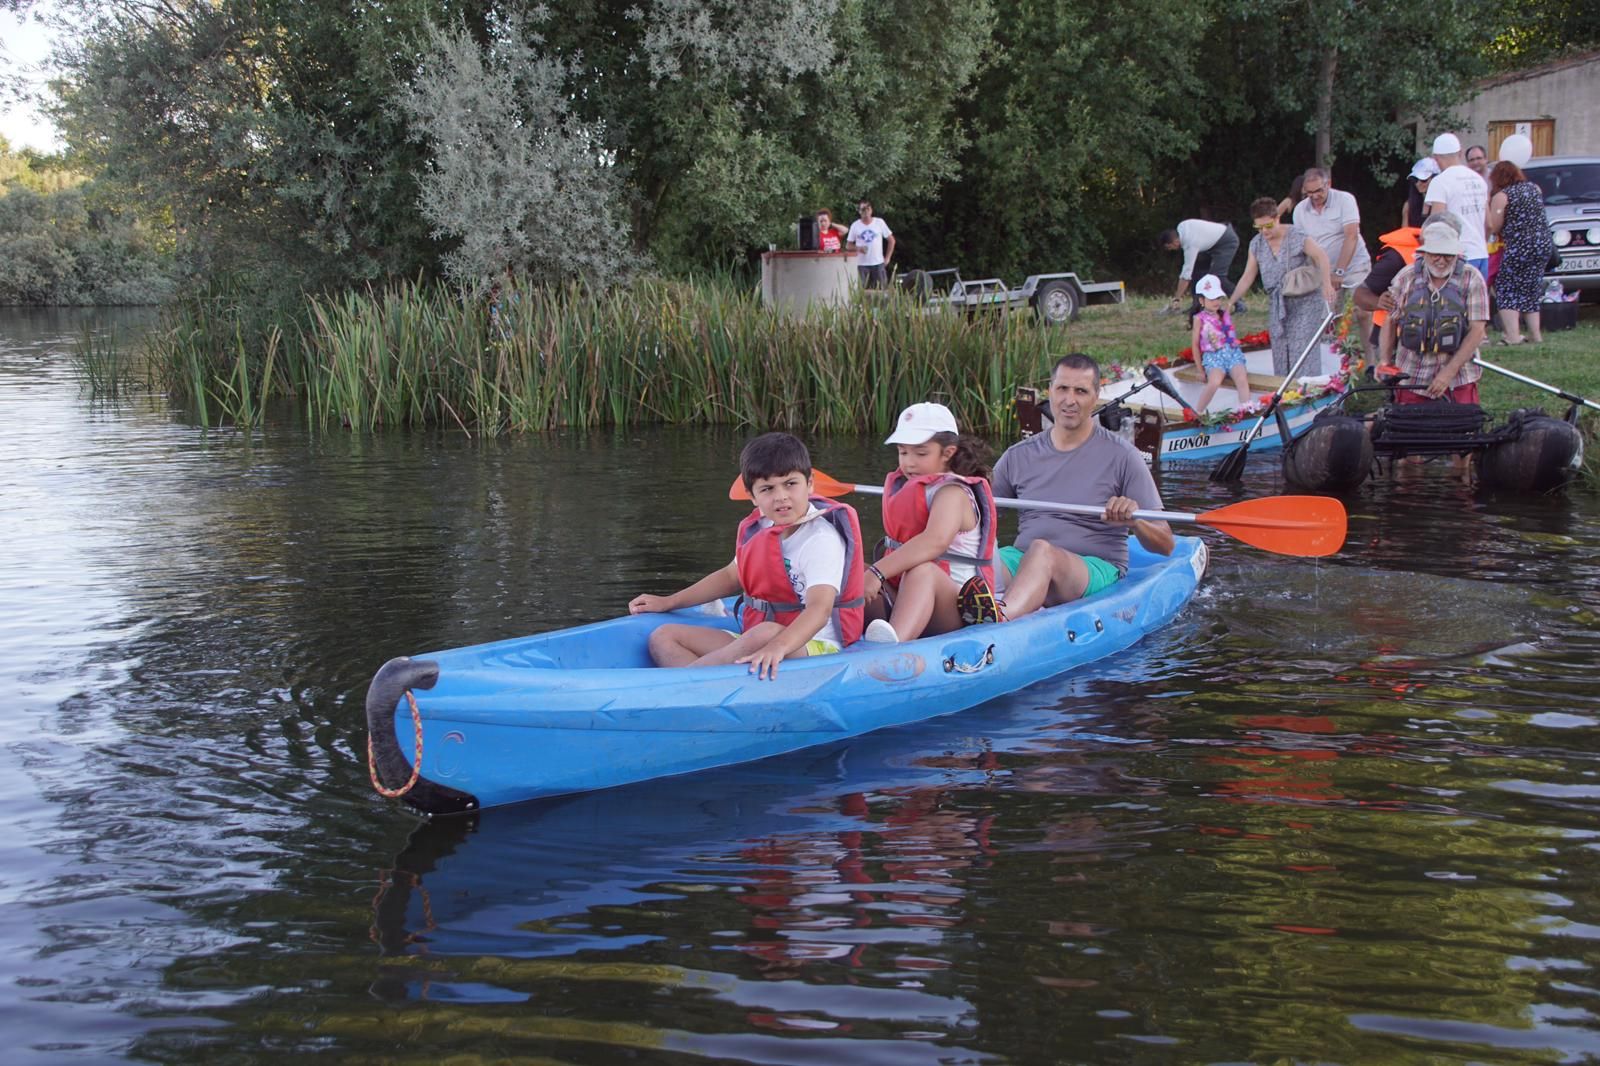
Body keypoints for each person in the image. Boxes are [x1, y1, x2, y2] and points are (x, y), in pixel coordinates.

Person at [955, 354, 1174, 623]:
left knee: (1042, 551)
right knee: (971, 561)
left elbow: (1165, 544)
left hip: (1094, 567)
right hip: (1022, 559)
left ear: (1096, 396)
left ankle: (1000, 617)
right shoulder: (1018, 455)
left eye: (1080, 391)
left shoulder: (1123, 456)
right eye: (1062, 389)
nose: (1069, 400)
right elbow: (978, 512)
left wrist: (1137, 521)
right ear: (1050, 392)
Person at [628, 432, 865, 679]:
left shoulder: (821, 539)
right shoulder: (760, 528)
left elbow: (820, 609)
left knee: (764, 633)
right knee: (664, 637)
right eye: (767, 489)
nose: (781, 496)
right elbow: (732, 576)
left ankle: (680, 686)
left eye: (790, 484)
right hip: (756, 638)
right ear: (752, 496)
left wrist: (778, 646)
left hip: (815, 646)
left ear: (810, 483)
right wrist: (669, 601)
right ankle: (708, 690)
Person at [861, 402, 997, 644]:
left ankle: (892, 646)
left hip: (955, 609)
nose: (909, 462)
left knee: (922, 570)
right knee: (855, 570)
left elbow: (934, 542)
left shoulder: (953, 493)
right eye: (903, 452)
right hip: (908, 596)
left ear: (948, 453)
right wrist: (868, 574)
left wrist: (877, 572)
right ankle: (832, 638)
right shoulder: (912, 486)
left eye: (920, 453)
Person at [1377, 220, 1490, 405]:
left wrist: (1448, 373)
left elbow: (1477, 331)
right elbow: (1390, 321)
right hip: (1411, 375)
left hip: (1459, 378)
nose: (1442, 260)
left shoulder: (1472, 278)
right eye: (1436, 254)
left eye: (1448, 255)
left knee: (1464, 431)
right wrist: (1384, 361)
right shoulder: (1406, 277)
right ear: (1424, 252)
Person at [1227, 197, 1337, 376]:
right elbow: (1248, 275)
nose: (1264, 231)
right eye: (1259, 227)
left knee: (1302, 345)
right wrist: (1232, 301)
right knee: (1280, 346)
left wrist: (1327, 284)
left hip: (1305, 300)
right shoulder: (1256, 243)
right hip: (1278, 303)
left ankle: (1306, 390)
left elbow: (1321, 257)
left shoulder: (1297, 235)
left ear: (1277, 217)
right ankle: (1284, 394)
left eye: (1268, 226)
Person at [1353, 211, 1464, 353]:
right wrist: (1379, 302)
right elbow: (1360, 294)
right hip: (1397, 341)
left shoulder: (1462, 266)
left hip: (1443, 336)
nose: (1442, 257)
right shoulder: (1396, 259)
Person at [1293, 167, 1373, 357]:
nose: (1314, 196)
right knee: (1331, 318)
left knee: (1363, 312)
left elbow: (1351, 236)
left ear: (1328, 184)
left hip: (1355, 266)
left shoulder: (1345, 200)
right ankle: (1337, 364)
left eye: (1319, 191)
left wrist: (1339, 271)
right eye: (1309, 192)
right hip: (1323, 270)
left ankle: (1371, 363)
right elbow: (1303, 244)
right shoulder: (1300, 210)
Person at [1486, 160, 1556, 345]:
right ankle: (1535, 335)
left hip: (1519, 247)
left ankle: (1513, 335)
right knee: (1531, 289)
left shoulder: (1502, 196)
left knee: (1506, 288)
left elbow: (1495, 226)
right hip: (1542, 245)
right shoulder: (1534, 188)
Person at [1424, 133, 1489, 275]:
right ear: (1460, 153)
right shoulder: (1478, 179)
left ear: (1436, 158)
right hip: (1481, 254)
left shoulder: (1440, 181)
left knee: (1452, 297)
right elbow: (1488, 223)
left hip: (1456, 255)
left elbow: (1436, 223)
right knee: (1478, 297)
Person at [1188, 274, 1254, 416]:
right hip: (1213, 356)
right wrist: (1200, 370)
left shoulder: (1224, 315)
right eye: (1211, 299)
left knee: (1241, 378)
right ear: (1201, 300)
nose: (1216, 302)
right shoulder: (1199, 319)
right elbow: (1195, 344)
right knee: (1214, 382)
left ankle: (1247, 409)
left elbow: (1229, 335)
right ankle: (1197, 413)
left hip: (1232, 353)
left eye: (1218, 298)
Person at [1158, 218, 1242, 314]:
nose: (1171, 250)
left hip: (1227, 241)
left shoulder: (1190, 244)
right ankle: (1197, 306)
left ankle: (1240, 304)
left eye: (1169, 247)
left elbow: (1186, 275)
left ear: (1175, 242)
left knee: (1217, 276)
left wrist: (1177, 298)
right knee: (1197, 272)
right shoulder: (1182, 226)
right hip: (1212, 242)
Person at [847, 201, 895, 289]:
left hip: (878, 264)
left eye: (867, 208)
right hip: (861, 265)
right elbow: (848, 245)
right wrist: (859, 248)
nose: (865, 211)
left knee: (881, 293)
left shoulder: (879, 222)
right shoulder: (855, 225)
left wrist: (887, 258)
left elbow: (891, 240)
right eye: (863, 209)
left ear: (871, 210)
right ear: (859, 211)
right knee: (860, 293)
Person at [1403, 157, 1440, 228]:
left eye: (1424, 180)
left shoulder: (1442, 203)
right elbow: (1404, 233)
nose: (1418, 184)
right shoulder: (1408, 206)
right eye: (1415, 179)